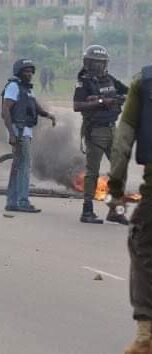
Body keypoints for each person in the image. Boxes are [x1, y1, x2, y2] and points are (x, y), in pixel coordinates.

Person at [107, 66, 152, 354]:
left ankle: (146, 335)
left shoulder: (144, 83)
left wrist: (116, 189)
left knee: (142, 247)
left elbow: (123, 142)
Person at [73, 44, 128, 224]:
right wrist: (102, 102)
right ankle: (87, 211)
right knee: (92, 173)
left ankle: (116, 211)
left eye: (101, 63)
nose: (98, 66)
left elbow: (127, 91)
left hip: (113, 128)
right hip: (95, 130)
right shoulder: (84, 81)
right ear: (88, 63)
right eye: (95, 63)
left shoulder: (109, 79)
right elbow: (77, 105)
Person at [2, 58, 56, 213]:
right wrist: (11, 134)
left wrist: (47, 115)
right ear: (19, 72)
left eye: (31, 71)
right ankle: (22, 201)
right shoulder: (13, 86)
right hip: (19, 131)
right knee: (24, 167)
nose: (29, 74)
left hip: (25, 130)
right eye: (26, 71)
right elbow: (5, 110)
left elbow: (34, 106)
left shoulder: (27, 89)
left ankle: (12, 201)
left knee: (17, 166)